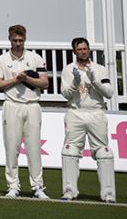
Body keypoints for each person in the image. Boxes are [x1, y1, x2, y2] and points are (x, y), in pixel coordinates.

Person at [0, 23, 50, 199]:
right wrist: (16, 79)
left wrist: (28, 80)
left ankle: (38, 186)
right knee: (12, 147)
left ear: (25, 39)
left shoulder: (36, 58)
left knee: (33, 148)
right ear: (9, 39)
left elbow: (45, 83)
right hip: (12, 105)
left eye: (21, 40)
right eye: (15, 40)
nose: (18, 43)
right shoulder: (1, 60)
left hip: (32, 105)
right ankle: (13, 186)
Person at [60, 37, 115, 202]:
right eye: (79, 50)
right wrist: (75, 83)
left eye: (85, 49)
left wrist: (95, 80)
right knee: (70, 150)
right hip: (75, 112)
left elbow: (109, 93)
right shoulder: (68, 70)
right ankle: (69, 192)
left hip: (96, 112)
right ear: (74, 51)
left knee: (104, 152)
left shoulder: (100, 69)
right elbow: (65, 94)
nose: (83, 52)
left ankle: (108, 194)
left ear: (88, 50)